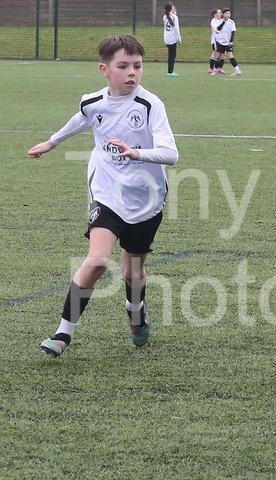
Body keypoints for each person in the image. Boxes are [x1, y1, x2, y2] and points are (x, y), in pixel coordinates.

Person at [27, 35, 179, 357]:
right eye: (123, 66)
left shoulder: (150, 105)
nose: (132, 73)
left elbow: (171, 153)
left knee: (132, 271)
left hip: (147, 199)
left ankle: (135, 311)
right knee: (97, 260)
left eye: (137, 66)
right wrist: (52, 142)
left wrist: (136, 153)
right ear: (104, 69)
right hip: (107, 192)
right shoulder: (92, 102)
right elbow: (82, 118)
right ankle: (63, 333)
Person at [214, 8, 241, 77]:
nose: (228, 15)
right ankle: (215, 70)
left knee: (230, 56)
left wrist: (231, 41)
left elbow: (233, 32)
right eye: (226, 13)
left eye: (229, 13)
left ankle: (237, 70)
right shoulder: (219, 21)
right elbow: (218, 29)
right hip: (220, 42)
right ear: (223, 14)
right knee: (218, 56)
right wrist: (224, 21)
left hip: (228, 43)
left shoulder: (231, 22)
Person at [163, 2, 181, 76]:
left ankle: (170, 71)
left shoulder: (164, 16)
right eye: (173, 7)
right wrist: (179, 39)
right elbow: (176, 28)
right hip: (172, 38)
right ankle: (170, 72)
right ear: (171, 8)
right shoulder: (174, 17)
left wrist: (174, 14)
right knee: (172, 55)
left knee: (170, 54)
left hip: (166, 37)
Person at [209, 8, 223, 75]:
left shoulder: (221, 20)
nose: (221, 14)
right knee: (215, 54)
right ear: (215, 14)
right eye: (219, 13)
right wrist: (217, 31)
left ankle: (219, 68)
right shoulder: (213, 21)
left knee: (222, 54)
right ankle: (211, 69)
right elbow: (214, 28)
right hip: (215, 40)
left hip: (222, 40)